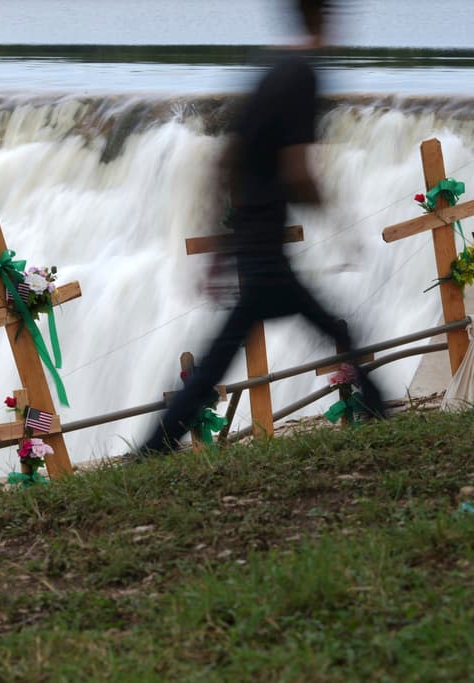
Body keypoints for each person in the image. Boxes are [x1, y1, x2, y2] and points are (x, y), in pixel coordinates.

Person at [139, 0, 386, 455]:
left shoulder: (270, 73)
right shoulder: (302, 76)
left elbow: (225, 161)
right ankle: (378, 409)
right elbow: (297, 170)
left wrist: (219, 250)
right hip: (266, 249)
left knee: (229, 354)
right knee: (329, 329)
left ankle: (157, 443)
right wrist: (341, 222)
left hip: (254, 243)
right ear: (323, 18)